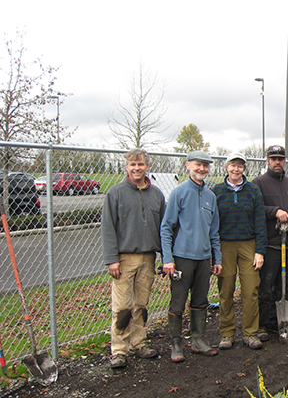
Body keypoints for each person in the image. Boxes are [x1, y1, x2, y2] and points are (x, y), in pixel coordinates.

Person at [102, 148, 166, 369]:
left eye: (141, 164)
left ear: (147, 166)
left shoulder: (156, 194)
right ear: (127, 167)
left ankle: (139, 343)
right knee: (122, 307)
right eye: (132, 165)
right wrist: (112, 259)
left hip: (148, 258)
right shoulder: (116, 193)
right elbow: (108, 228)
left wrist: (165, 257)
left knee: (141, 304)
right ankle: (119, 350)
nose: (137, 168)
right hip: (124, 258)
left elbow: (163, 230)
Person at [161, 151, 223, 362]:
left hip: (203, 259)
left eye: (205, 166)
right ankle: (176, 344)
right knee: (178, 301)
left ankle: (198, 339)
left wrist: (218, 258)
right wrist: (168, 258)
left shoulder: (210, 197)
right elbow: (166, 228)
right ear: (188, 166)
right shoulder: (179, 193)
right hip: (181, 258)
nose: (202, 169)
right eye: (198, 165)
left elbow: (214, 231)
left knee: (200, 300)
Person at [211, 153, 267, 350]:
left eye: (240, 166)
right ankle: (226, 333)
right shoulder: (216, 191)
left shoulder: (253, 191)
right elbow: (211, 224)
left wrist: (259, 251)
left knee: (250, 290)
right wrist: (214, 253)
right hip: (224, 244)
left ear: (244, 169)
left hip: (248, 244)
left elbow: (260, 221)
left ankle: (250, 333)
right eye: (233, 165)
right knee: (225, 290)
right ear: (227, 167)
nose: (236, 169)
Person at [252, 145, 288, 341]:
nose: (277, 162)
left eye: (280, 159)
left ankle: (282, 321)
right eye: (273, 159)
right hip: (271, 244)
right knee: (267, 286)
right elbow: (256, 209)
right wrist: (275, 211)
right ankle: (264, 324)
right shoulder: (259, 183)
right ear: (267, 161)